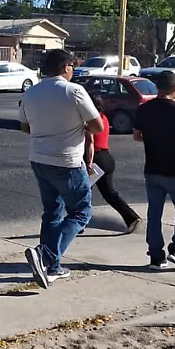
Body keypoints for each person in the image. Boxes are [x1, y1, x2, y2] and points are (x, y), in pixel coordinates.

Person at [18, 49, 103, 289]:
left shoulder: (31, 92)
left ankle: (52, 267)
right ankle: (46, 257)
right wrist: (77, 125)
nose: (73, 70)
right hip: (67, 161)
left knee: (52, 212)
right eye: (73, 66)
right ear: (66, 67)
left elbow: (25, 128)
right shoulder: (73, 91)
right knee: (81, 212)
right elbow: (96, 126)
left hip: (39, 159)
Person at [133, 70, 175, 270]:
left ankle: (156, 256)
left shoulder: (144, 108)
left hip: (152, 168)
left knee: (154, 214)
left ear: (157, 87)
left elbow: (137, 135)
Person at [88, 93, 141, 233]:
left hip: (96, 160)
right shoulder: (104, 118)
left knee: (82, 192)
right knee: (109, 193)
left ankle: (78, 222)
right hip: (106, 158)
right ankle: (131, 218)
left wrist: (88, 163)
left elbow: (90, 143)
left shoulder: (90, 121)